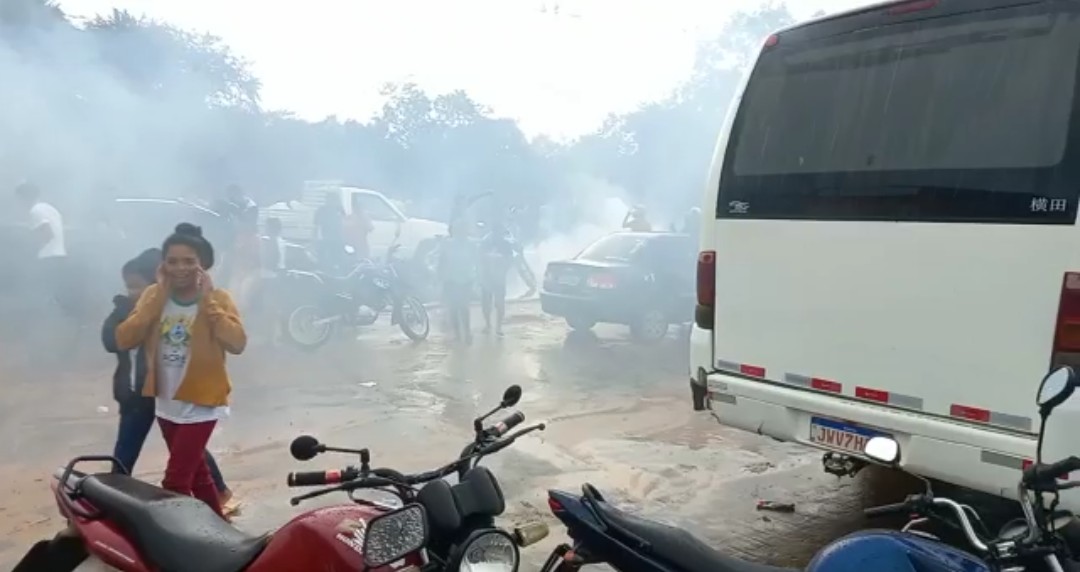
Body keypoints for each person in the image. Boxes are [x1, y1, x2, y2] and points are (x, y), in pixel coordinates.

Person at [109, 223, 246, 518]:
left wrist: (208, 302)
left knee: (175, 481)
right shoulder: (152, 298)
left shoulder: (218, 299)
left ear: (202, 265)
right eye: (172, 261)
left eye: (189, 261)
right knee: (198, 475)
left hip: (202, 402)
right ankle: (217, 531)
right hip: (166, 401)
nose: (180, 268)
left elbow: (237, 343)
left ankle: (182, 543)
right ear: (163, 265)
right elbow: (123, 338)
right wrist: (156, 297)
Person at [438, 223, 477, 344]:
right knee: (454, 308)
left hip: (466, 279)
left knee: (464, 308)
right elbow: (442, 260)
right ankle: (458, 334)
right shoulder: (447, 244)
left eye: (462, 230)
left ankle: (467, 332)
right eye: (457, 230)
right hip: (451, 280)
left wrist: (478, 277)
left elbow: (477, 261)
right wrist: (439, 276)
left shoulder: (471, 244)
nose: (460, 233)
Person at [479, 223, 515, 336]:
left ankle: (498, 326)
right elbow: (479, 258)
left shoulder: (506, 244)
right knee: (486, 303)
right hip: (486, 277)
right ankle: (488, 324)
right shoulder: (485, 242)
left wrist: (503, 267)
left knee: (499, 303)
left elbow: (510, 260)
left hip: (499, 278)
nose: (498, 234)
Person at [314, 191, 346, 268]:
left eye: (334, 199)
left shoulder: (339, 209)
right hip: (325, 239)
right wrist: (315, 240)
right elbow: (316, 226)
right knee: (322, 260)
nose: (331, 201)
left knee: (337, 260)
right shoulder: (321, 210)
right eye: (329, 199)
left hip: (338, 240)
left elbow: (344, 221)